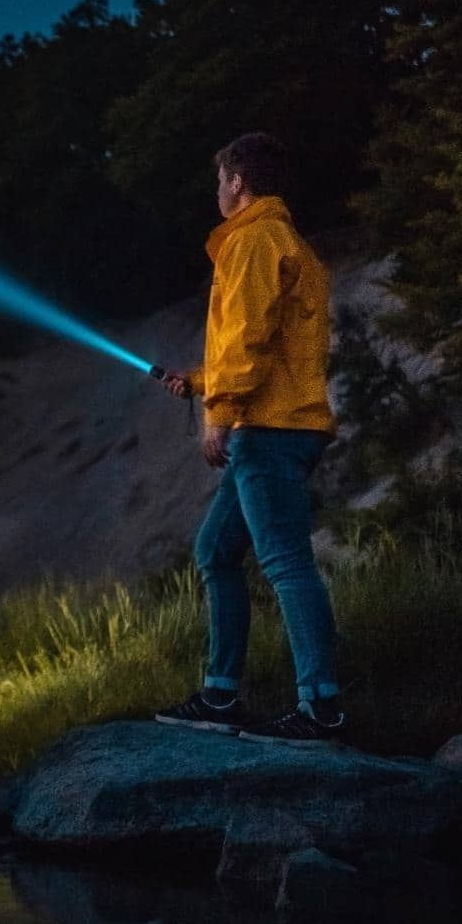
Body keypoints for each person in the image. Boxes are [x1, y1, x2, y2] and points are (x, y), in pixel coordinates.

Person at [151, 132, 345, 745]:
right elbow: (271, 343)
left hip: (269, 430)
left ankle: (322, 709)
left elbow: (249, 336)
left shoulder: (255, 238)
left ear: (238, 180)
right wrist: (202, 381)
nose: (217, 189)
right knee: (215, 551)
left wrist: (220, 411)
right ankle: (221, 696)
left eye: (220, 178)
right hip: (276, 422)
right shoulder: (287, 242)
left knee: (286, 562)